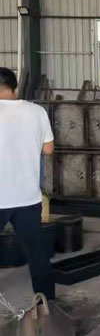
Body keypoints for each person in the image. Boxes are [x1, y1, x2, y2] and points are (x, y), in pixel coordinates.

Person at [0, 67, 56, 301]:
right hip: (27, 197)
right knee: (37, 254)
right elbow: (48, 149)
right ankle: (46, 303)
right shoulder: (36, 111)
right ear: (15, 87)